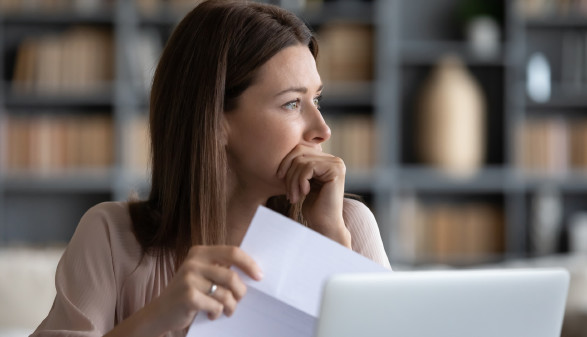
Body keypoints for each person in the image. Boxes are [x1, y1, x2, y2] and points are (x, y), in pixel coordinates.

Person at [31, 1, 390, 336]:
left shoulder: (349, 226)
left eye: (317, 100)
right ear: (215, 119)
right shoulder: (110, 237)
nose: (322, 130)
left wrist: (332, 250)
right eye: (292, 103)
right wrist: (159, 317)